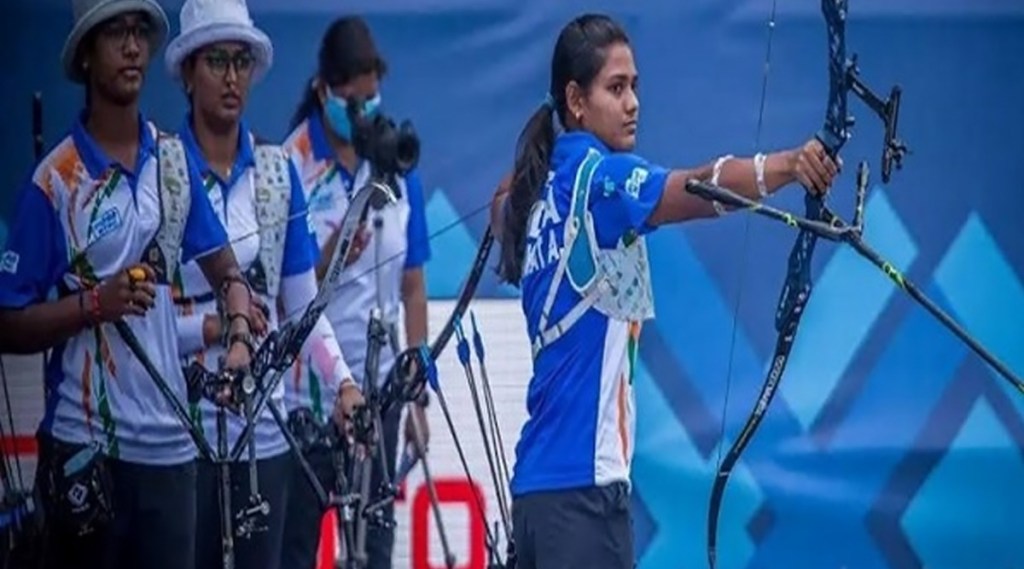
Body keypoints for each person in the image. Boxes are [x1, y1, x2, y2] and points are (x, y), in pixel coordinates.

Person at [490, 13, 840, 569]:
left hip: (535, 498)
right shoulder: (600, 180)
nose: (633, 103)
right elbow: (697, 189)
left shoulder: (542, 191)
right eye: (616, 88)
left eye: (635, 87)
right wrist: (788, 166)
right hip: (582, 493)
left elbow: (501, 203)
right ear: (575, 100)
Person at [0, 1, 262, 568]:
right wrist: (96, 303)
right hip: (84, 449)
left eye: (139, 31)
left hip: (171, 448)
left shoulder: (173, 162)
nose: (131, 46)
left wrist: (239, 336)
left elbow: (229, 276)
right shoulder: (56, 181)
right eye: (114, 32)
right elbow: (8, 324)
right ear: (87, 56)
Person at [161, 1, 366, 568]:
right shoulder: (163, 169)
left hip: (264, 437)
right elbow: (142, 324)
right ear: (187, 72)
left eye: (242, 62)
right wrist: (210, 327)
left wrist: (345, 383)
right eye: (217, 61)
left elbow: (301, 310)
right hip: (178, 438)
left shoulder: (278, 172)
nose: (232, 77)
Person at [280, 15, 432, 569]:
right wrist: (337, 248)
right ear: (324, 91)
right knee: (295, 548)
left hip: (378, 393)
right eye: (352, 100)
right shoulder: (290, 164)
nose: (364, 112)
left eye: (372, 99)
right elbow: (286, 292)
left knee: (372, 552)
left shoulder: (394, 157)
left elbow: (413, 284)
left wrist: (415, 392)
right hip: (308, 398)